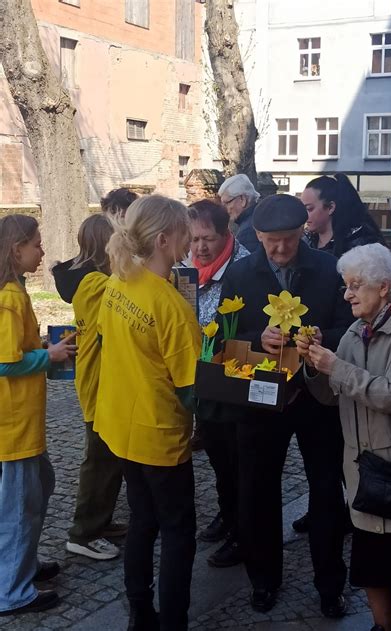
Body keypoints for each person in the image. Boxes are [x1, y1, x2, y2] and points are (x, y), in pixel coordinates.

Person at [216, 194, 353, 617]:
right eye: (270, 241)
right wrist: (260, 339)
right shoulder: (240, 273)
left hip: (317, 397)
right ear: (256, 235)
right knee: (257, 491)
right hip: (260, 398)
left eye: (288, 241)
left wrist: (317, 340)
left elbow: (348, 327)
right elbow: (222, 337)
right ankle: (263, 580)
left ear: (303, 233)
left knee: (327, 492)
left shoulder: (330, 269)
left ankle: (330, 584)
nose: (279, 250)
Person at [297, 243, 391, 631]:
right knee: (371, 562)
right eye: (346, 285)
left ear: (383, 287)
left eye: (355, 285)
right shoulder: (354, 329)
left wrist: (336, 366)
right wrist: (313, 365)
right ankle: (384, 626)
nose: (346, 294)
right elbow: (330, 395)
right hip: (362, 468)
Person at [93, 195, 201, 631]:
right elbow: (192, 387)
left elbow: (106, 343)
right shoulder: (170, 305)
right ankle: (173, 622)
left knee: (142, 521)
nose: (190, 243)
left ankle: (140, 614)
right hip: (158, 435)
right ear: (163, 239)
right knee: (177, 532)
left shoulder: (117, 282)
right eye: (184, 236)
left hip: (119, 425)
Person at [294, 173, 385, 534]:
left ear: (330, 208)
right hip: (315, 359)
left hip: (347, 354)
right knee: (320, 454)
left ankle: (358, 508)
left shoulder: (358, 246)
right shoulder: (310, 241)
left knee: (345, 444)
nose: (306, 215)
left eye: (310, 208)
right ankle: (325, 507)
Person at [0, 215, 76, 616]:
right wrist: (48, 356)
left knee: (40, 486)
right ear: (17, 250)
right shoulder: (9, 296)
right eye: (36, 244)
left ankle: (19, 565)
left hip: (18, 423)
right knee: (19, 507)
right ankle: (12, 591)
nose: (42, 251)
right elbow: (5, 363)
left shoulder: (14, 291)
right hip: (13, 425)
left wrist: (43, 344)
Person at [52, 214, 125, 561]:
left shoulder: (88, 281)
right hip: (100, 384)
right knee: (99, 460)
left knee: (109, 459)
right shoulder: (96, 284)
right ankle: (83, 532)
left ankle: (101, 519)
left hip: (102, 382)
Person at [185, 199, 249, 567]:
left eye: (207, 238)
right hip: (202, 384)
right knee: (217, 459)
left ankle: (243, 532)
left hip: (233, 384)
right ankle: (227, 514)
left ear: (226, 234)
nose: (200, 247)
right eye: (194, 239)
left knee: (238, 461)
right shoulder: (186, 271)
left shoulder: (243, 269)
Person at [301, 174, 384, 257]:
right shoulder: (303, 243)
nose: (304, 214)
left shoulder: (361, 248)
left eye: (309, 209)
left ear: (330, 208)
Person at [218, 174, 260, 252]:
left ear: (242, 199)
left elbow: (248, 263)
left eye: (227, 203)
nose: (225, 209)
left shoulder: (248, 232)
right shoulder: (260, 216)